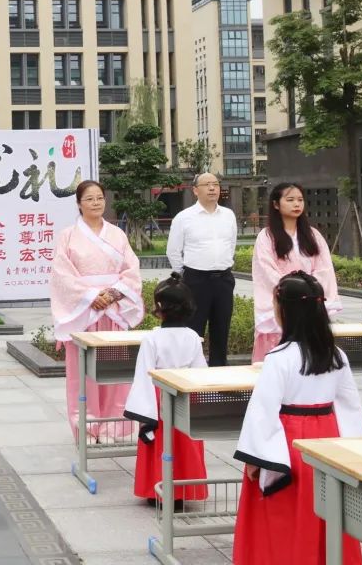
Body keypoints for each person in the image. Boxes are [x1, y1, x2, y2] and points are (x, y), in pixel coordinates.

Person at [232, 271, 362, 565]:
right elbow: (350, 408)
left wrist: (255, 459)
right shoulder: (336, 356)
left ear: (286, 311)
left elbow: (263, 411)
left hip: (289, 444)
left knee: (284, 518)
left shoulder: (279, 358)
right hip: (328, 440)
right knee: (329, 512)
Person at [50, 180, 143, 442]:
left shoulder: (117, 234)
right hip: (83, 314)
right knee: (82, 375)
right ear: (79, 204)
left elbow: (131, 270)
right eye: (89, 199)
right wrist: (91, 296)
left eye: (100, 198)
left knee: (115, 372)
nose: (96, 203)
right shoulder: (68, 236)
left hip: (113, 310)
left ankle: (113, 427)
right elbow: (62, 275)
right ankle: (87, 427)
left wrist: (112, 294)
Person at [123, 273, 208, 504]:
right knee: (185, 444)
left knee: (161, 444)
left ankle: (157, 491)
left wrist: (145, 415)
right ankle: (183, 491)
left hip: (158, 396)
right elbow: (201, 372)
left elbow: (143, 376)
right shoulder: (193, 337)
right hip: (185, 395)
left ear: (159, 309)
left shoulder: (152, 339)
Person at [251, 182, 342, 362]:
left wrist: (309, 292)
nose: (296, 204)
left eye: (300, 200)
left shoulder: (313, 235)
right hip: (282, 303)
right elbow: (266, 271)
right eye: (290, 199)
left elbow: (324, 269)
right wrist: (292, 290)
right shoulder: (266, 237)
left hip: (309, 303)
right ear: (276, 204)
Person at [166, 173, 237, 366]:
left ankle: (218, 371)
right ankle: (190, 371)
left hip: (224, 280)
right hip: (196, 280)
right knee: (193, 330)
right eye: (207, 185)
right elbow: (173, 251)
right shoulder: (184, 217)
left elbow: (231, 244)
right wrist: (183, 275)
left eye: (215, 184)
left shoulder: (228, 215)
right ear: (195, 190)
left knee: (221, 328)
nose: (212, 188)